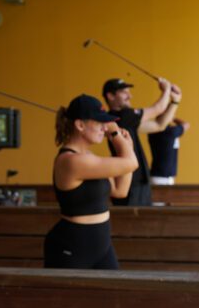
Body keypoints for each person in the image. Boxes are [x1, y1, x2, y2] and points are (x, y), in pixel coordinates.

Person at [44, 94, 138, 269]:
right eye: (99, 122)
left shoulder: (88, 157)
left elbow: (120, 191)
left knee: (114, 295)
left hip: (101, 245)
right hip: (73, 246)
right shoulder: (71, 161)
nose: (105, 128)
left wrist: (127, 147)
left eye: (106, 123)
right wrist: (116, 135)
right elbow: (131, 163)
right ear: (80, 125)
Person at [102, 77, 181, 206]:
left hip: (141, 182)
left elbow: (159, 124)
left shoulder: (126, 120)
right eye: (124, 92)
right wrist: (166, 89)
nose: (130, 95)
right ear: (110, 96)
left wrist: (175, 102)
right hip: (129, 184)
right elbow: (157, 109)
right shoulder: (121, 116)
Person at [148, 117, 190, 185]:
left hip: (156, 175)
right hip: (164, 178)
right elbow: (186, 125)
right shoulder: (171, 131)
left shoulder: (152, 132)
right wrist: (173, 118)